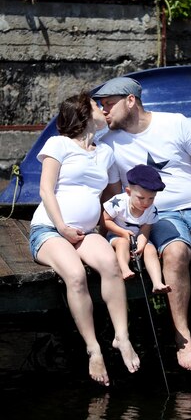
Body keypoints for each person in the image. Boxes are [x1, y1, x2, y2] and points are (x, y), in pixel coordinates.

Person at [93, 77, 191, 381]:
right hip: (158, 214)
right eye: (101, 105)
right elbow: (114, 197)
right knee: (175, 253)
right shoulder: (108, 144)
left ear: (130, 101)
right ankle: (184, 339)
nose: (104, 111)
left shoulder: (175, 123)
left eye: (108, 104)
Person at [29, 91, 140, 387]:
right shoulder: (59, 144)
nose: (103, 110)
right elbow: (45, 191)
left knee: (110, 265)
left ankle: (122, 337)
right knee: (76, 275)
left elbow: (113, 199)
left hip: (87, 234)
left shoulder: (105, 153)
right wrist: (62, 226)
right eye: (96, 105)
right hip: (51, 229)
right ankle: (93, 348)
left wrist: (134, 229)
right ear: (81, 112)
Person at [102, 163, 171, 293]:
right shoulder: (118, 202)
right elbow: (105, 220)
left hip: (137, 238)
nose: (146, 203)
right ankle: (125, 269)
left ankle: (157, 282)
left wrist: (141, 245)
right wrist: (122, 232)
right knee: (122, 243)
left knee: (150, 249)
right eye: (141, 198)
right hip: (117, 235)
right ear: (128, 192)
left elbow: (145, 228)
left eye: (151, 198)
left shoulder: (151, 209)